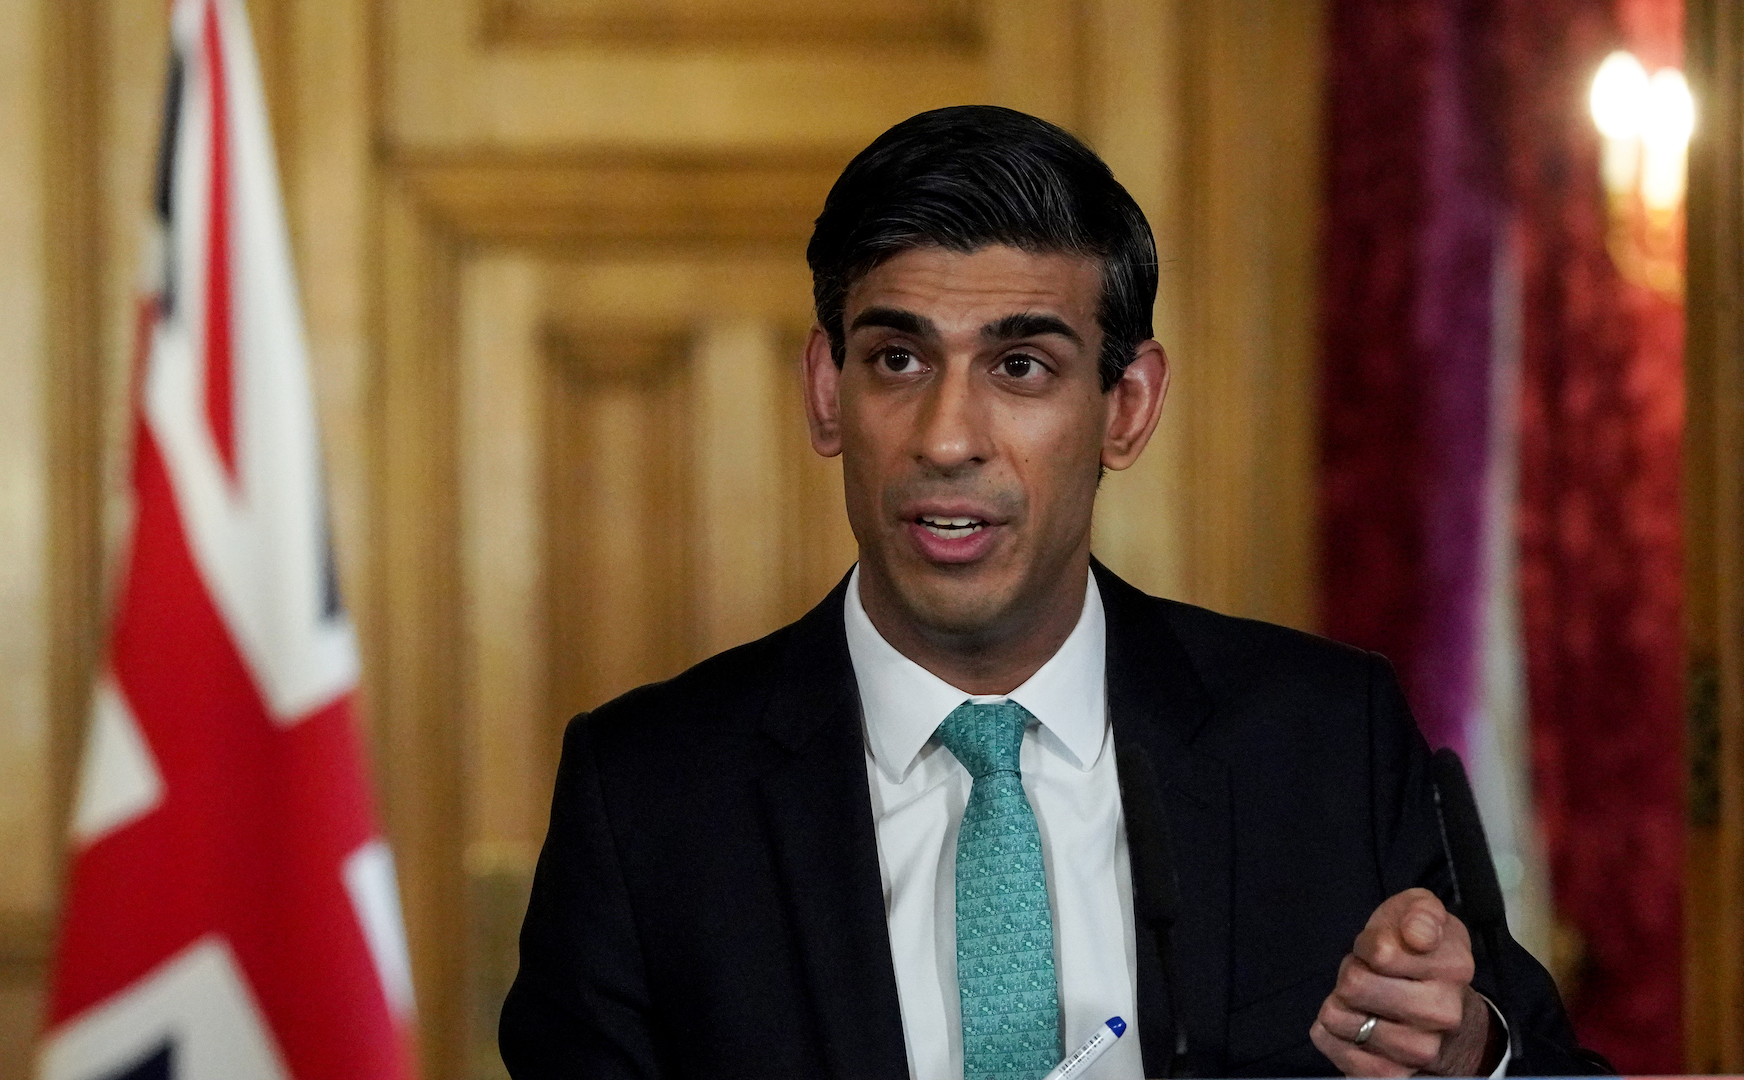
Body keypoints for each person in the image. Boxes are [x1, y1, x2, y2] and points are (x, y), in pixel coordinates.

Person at [498, 105, 1606, 1079]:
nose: (947, 438)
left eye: (1020, 367)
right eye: (898, 360)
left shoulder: (1325, 744)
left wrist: (1466, 1059)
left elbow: (1550, 1071)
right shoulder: (647, 798)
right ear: (827, 392)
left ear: (1126, 406)